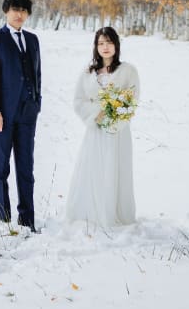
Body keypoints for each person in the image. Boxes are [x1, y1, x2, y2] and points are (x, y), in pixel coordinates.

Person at [65, 26, 140, 227]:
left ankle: (114, 213)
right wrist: (95, 115)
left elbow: (131, 101)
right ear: (96, 47)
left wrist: (113, 119)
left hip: (118, 132)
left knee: (116, 169)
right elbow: (79, 101)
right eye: (101, 43)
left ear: (116, 45)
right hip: (94, 130)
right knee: (94, 169)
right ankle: (91, 212)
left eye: (109, 42)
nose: (105, 47)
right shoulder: (88, 72)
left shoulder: (128, 71)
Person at [0, 0, 42, 231]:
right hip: (2, 115)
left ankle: (27, 219)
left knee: (26, 169)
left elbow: (37, 75)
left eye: (24, 10)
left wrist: (37, 103)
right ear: (6, 11)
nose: (20, 14)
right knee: (1, 168)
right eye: (15, 9)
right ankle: (4, 220)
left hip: (28, 114)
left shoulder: (33, 40)